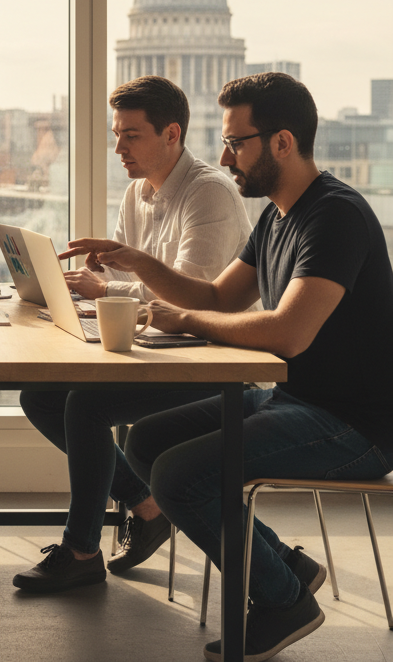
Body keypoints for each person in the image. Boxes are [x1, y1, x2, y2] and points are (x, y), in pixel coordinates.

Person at [68, 73, 393, 662]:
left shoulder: (335, 215)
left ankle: (282, 601)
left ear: (282, 143)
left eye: (236, 143)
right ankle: (284, 565)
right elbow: (218, 298)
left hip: (353, 425)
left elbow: (289, 332)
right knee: (147, 442)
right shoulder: (275, 216)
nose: (223, 156)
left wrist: (182, 322)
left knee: (177, 478)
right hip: (292, 400)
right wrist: (137, 262)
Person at [14, 75, 252, 592]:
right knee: (39, 397)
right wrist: (95, 287)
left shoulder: (208, 192)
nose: (118, 147)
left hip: (209, 359)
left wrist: (106, 290)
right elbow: (125, 281)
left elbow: (193, 295)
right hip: (152, 349)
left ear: (172, 133)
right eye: (116, 134)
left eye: (131, 135)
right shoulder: (136, 192)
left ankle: (81, 550)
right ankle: (145, 504)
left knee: (83, 405)